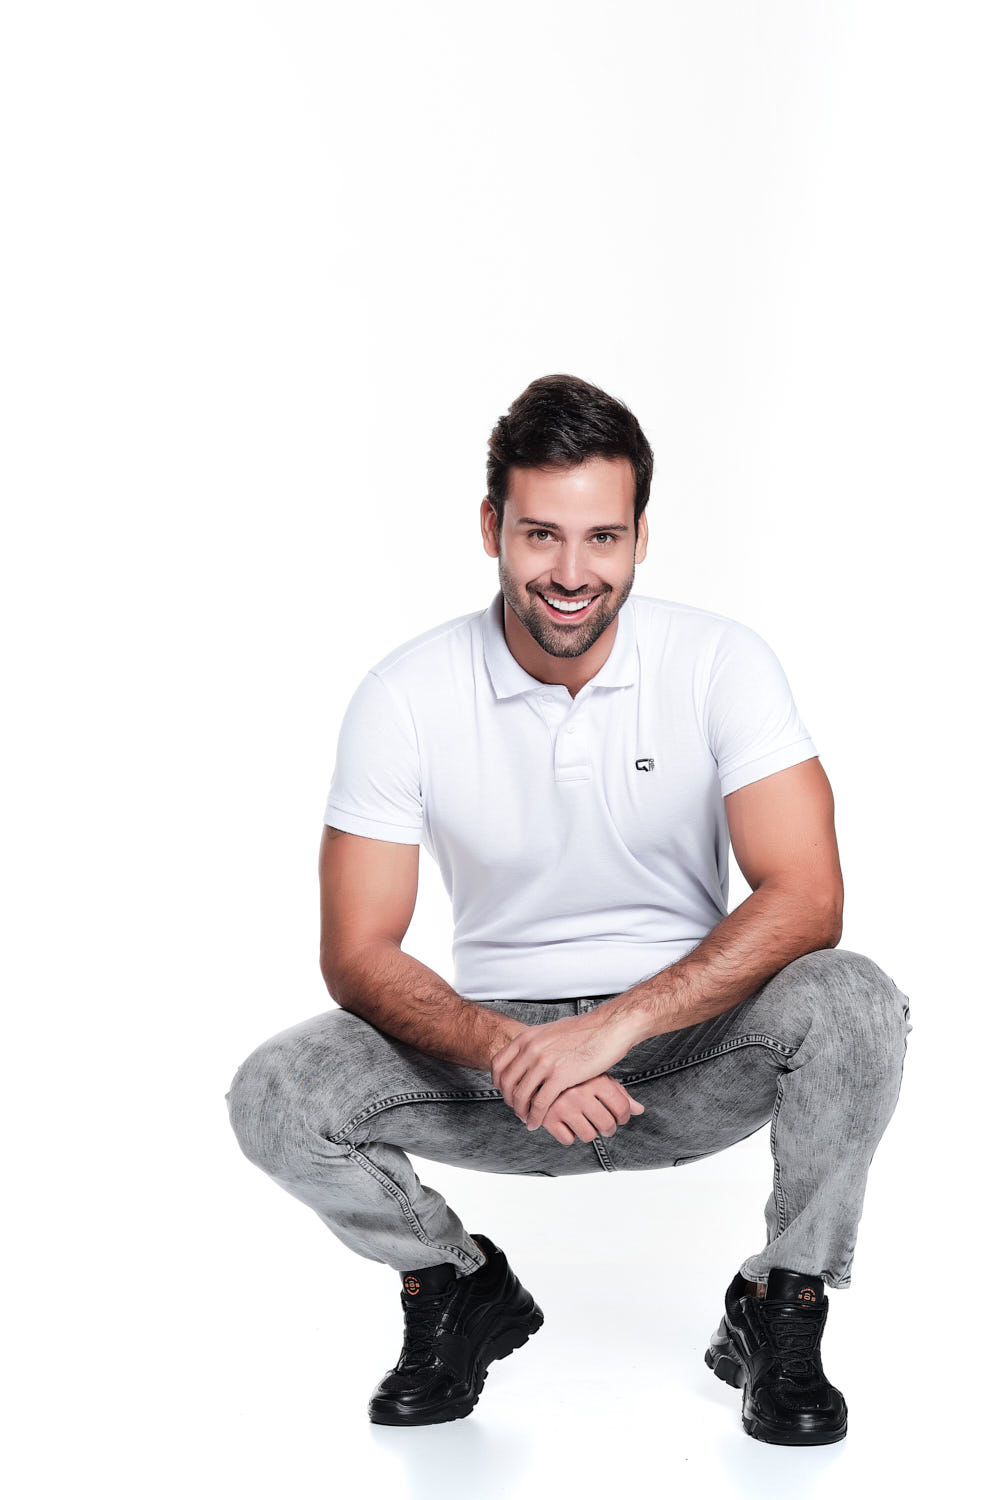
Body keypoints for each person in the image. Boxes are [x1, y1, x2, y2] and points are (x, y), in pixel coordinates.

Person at [225, 372, 912, 1445]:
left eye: (603, 538)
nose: (571, 572)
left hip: (683, 1051)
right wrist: (515, 1049)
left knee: (855, 998)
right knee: (274, 1093)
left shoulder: (719, 663)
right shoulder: (405, 696)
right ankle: (454, 1287)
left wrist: (614, 1028)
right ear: (491, 528)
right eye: (541, 534)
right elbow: (357, 952)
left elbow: (808, 898)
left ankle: (781, 1307)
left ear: (640, 539)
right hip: (494, 1071)